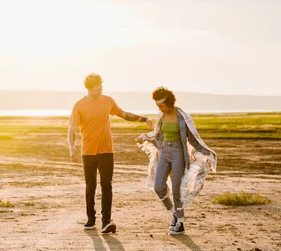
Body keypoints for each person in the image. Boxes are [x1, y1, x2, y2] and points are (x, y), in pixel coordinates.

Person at [68, 73, 153, 234]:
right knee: (90, 187)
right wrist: (72, 149)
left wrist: (143, 119)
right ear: (88, 89)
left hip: (107, 150)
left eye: (100, 88)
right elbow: (72, 129)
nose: (99, 92)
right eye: (95, 90)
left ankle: (107, 221)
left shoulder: (107, 101)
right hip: (88, 151)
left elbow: (123, 114)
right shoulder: (79, 105)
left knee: (107, 186)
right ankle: (90, 220)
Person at [136, 87, 217, 235]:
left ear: (169, 102)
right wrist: (145, 137)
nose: (159, 108)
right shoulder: (161, 115)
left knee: (176, 190)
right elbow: (156, 134)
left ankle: (180, 222)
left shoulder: (183, 117)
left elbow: (193, 138)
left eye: (161, 105)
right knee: (158, 187)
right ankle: (174, 213)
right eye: (157, 106)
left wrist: (207, 152)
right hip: (164, 153)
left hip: (178, 154)